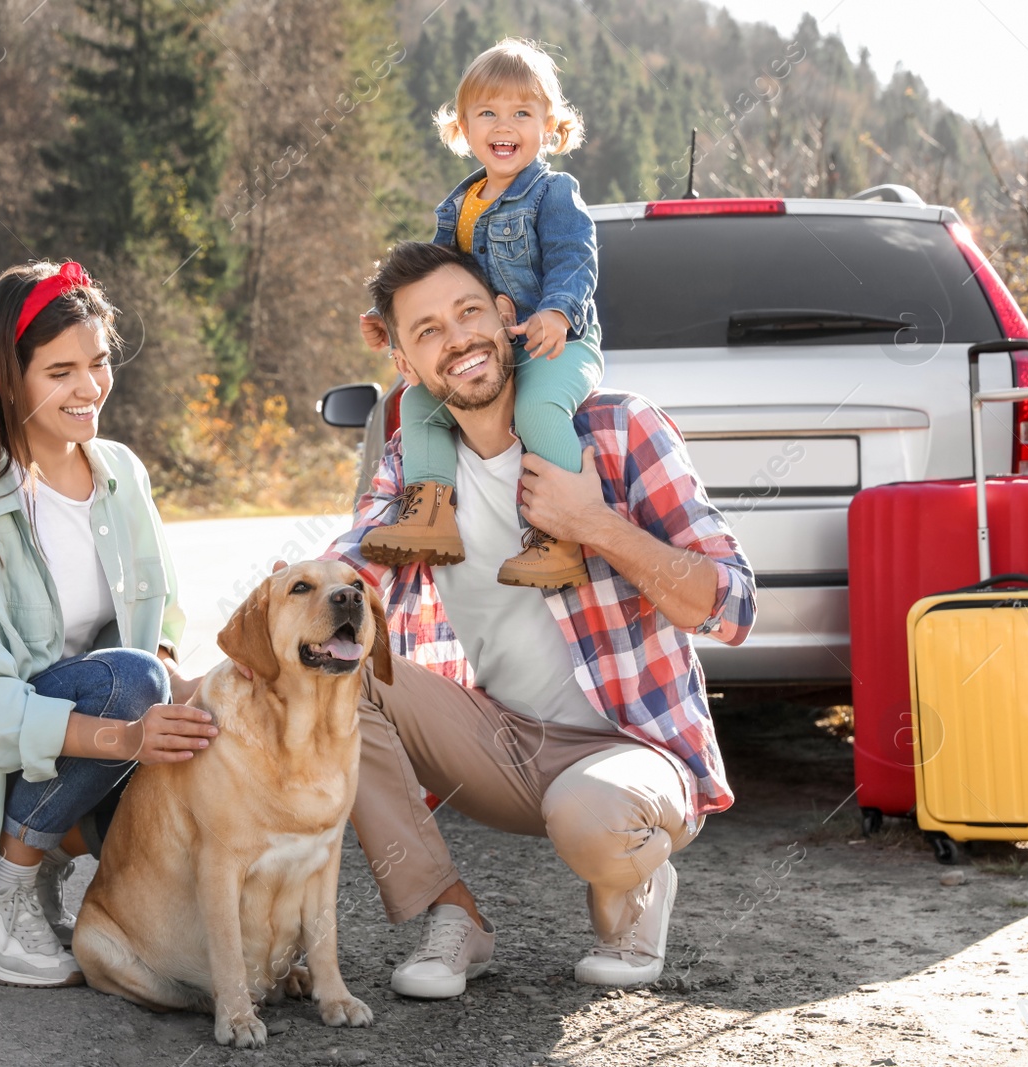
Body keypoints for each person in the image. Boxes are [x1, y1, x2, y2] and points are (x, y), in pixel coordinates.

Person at [324, 242, 756, 995]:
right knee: (339, 676)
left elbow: (731, 604)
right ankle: (452, 912)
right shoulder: (416, 467)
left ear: (506, 315)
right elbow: (350, 569)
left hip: (631, 750)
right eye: (427, 331)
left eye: (467, 312)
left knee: (591, 817)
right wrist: (251, 648)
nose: (456, 338)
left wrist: (594, 523)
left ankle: (636, 886)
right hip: (498, 742)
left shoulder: (620, 429)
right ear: (405, 363)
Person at [0, 261, 214, 988]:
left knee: (174, 704)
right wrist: (133, 733)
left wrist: (199, 699)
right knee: (132, 681)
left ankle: (72, 870)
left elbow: (158, 615)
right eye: (60, 371)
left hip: (85, 733)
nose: (89, 388)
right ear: (9, 380)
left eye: (98, 363)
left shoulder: (122, 472)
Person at [358, 38, 604, 591]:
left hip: (560, 345)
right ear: (464, 129)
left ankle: (561, 537)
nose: (505, 124)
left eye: (522, 112)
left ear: (548, 126)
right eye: (488, 112)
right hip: (498, 348)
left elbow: (575, 255)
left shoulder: (552, 192)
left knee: (538, 410)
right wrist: (385, 315)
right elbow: (428, 277)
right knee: (417, 400)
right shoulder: (459, 204)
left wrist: (558, 313)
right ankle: (430, 514)